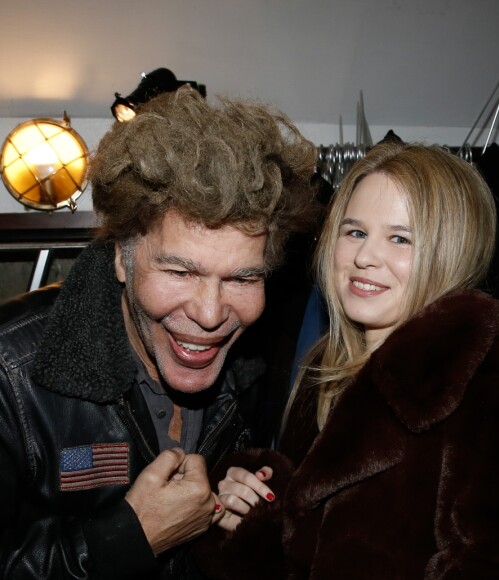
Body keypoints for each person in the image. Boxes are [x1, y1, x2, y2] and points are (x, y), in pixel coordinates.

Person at [194, 140, 499, 579]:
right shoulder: (327, 372)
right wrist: (247, 517)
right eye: (355, 231)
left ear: (449, 251)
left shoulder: (493, 381)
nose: (364, 257)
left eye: (400, 238)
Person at [0, 86, 318, 579]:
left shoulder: (255, 368)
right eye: (180, 272)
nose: (212, 315)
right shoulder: (9, 371)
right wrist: (131, 537)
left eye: (242, 278)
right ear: (121, 259)